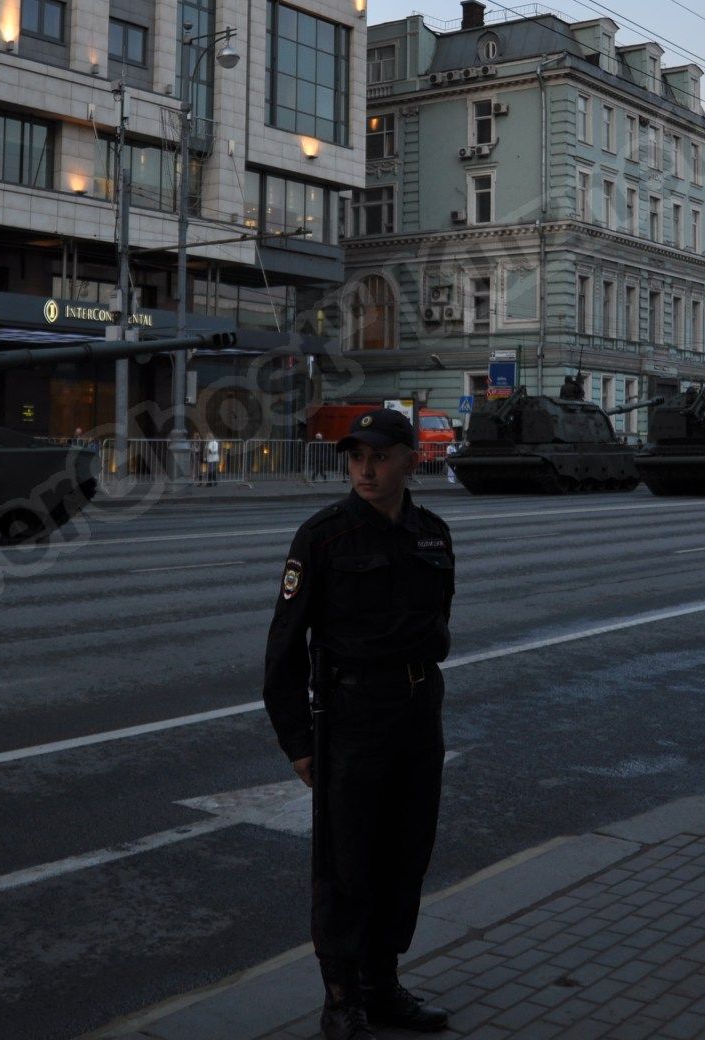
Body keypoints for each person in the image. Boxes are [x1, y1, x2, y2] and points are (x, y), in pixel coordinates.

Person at [263, 408, 456, 1039]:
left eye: (378, 456)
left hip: (417, 712)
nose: (365, 470)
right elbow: (284, 650)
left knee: (407, 852)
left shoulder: (432, 534)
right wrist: (297, 741)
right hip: (350, 717)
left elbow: (437, 626)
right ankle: (340, 998)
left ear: (411, 459)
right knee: (346, 863)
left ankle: (382, 983)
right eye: (355, 458)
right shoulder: (322, 537)